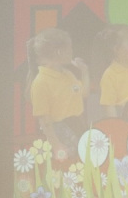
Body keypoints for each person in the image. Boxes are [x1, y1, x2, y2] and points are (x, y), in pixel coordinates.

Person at [26, 27, 89, 158]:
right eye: (70, 48)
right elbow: (45, 120)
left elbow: (83, 93)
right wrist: (56, 145)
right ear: (59, 52)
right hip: (61, 133)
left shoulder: (68, 75)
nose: (72, 51)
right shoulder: (41, 82)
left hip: (79, 125)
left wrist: (84, 71)